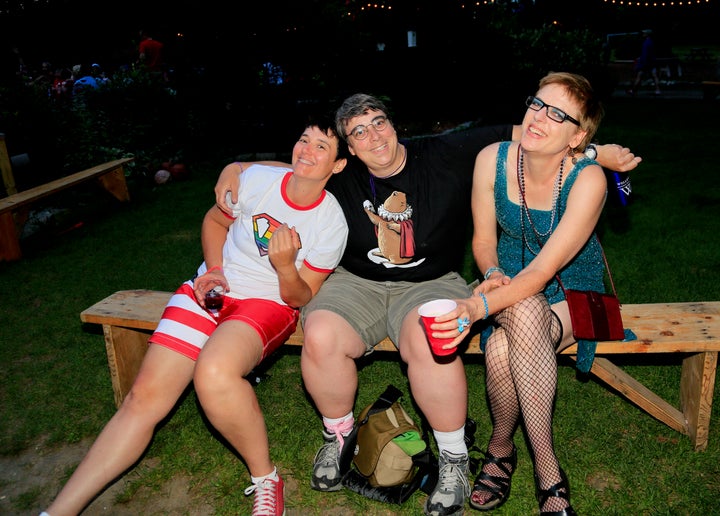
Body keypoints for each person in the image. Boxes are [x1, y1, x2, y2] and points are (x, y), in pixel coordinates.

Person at [214, 94, 641, 516]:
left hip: (430, 281)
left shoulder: (445, 152)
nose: (372, 136)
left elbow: (525, 134)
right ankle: (338, 436)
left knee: (428, 338)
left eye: (378, 122)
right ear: (347, 150)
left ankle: (454, 459)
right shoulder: (342, 174)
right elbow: (295, 167)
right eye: (358, 132)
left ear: (395, 124)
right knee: (321, 333)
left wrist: (596, 151)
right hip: (355, 283)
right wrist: (235, 167)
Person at [40, 116, 350, 516]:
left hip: (268, 304)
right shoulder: (258, 180)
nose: (307, 151)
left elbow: (299, 296)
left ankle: (265, 478)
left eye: (321, 147)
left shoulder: (331, 222)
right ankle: (57, 511)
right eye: (303, 140)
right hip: (211, 288)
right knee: (142, 399)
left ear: (337, 165)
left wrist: (286, 267)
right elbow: (215, 220)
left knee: (214, 372)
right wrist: (215, 269)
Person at [425, 72, 607, 514]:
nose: (538, 117)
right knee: (519, 319)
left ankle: (508, 451)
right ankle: (542, 472)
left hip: (575, 291)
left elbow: (544, 271)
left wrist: (476, 305)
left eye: (557, 114)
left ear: (577, 136)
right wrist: (489, 272)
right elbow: (483, 240)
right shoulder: (493, 159)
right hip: (506, 279)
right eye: (537, 104)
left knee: (507, 342)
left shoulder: (589, 180)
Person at [627, 29, 661, 96]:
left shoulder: (646, 43)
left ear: (647, 34)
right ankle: (658, 90)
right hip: (651, 62)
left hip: (645, 63)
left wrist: (642, 62)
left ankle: (633, 91)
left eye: (644, 33)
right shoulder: (651, 42)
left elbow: (645, 54)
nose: (643, 34)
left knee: (639, 76)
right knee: (654, 76)